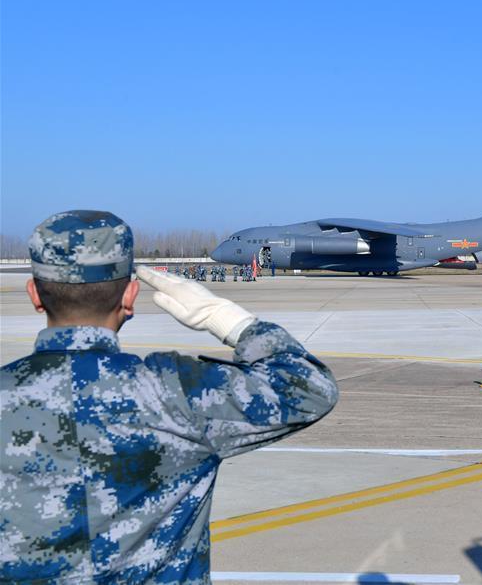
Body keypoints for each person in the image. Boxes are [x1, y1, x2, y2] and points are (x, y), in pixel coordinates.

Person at [1, 210, 339, 583]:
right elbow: (309, 386)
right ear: (130, 295)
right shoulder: (176, 393)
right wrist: (226, 318)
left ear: (35, 294)